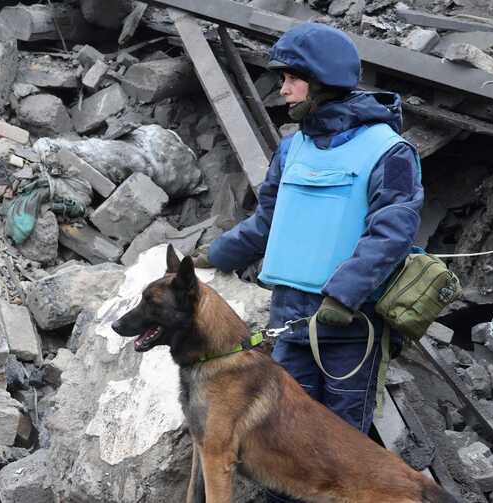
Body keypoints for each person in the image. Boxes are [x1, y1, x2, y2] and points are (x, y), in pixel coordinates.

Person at [193, 22, 424, 503]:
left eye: (291, 78)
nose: (282, 89)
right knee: (282, 447)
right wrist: (213, 255)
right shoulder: (292, 149)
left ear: (322, 79)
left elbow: (393, 231)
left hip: (349, 327)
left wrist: (344, 293)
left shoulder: (390, 151)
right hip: (289, 322)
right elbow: (267, 222)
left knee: (339, 455)